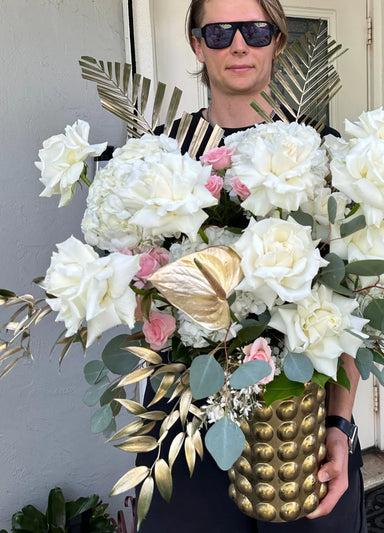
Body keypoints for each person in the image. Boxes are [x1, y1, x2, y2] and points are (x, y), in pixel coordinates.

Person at [136, 1, 368, 531]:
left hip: (299, 424)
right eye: (218, 32)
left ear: (277, 42)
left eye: (256, 30)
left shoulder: (323, 156)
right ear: (197, 45)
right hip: (189, 421)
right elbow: (139, 297)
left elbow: (348, 307)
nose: (238, 44)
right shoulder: (159, 159)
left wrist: (340, 422)